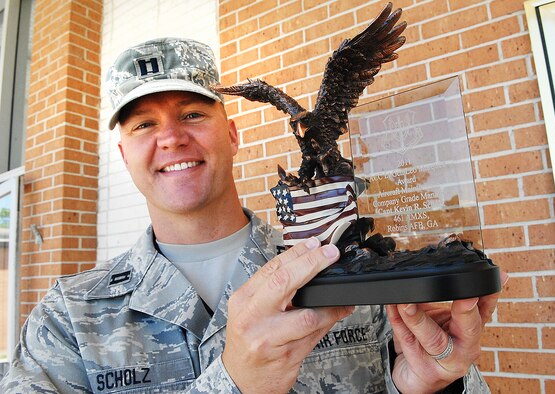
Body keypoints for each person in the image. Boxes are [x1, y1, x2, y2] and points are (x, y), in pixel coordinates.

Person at [1, 38, 507, 393]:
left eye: (193, 114)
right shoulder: (67, 319)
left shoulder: (345, 267)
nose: (171, 137)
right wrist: (234, 384)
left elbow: (436, 377)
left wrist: (432, 387)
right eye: (143, 124)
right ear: (123, 154)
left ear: (234, 134)